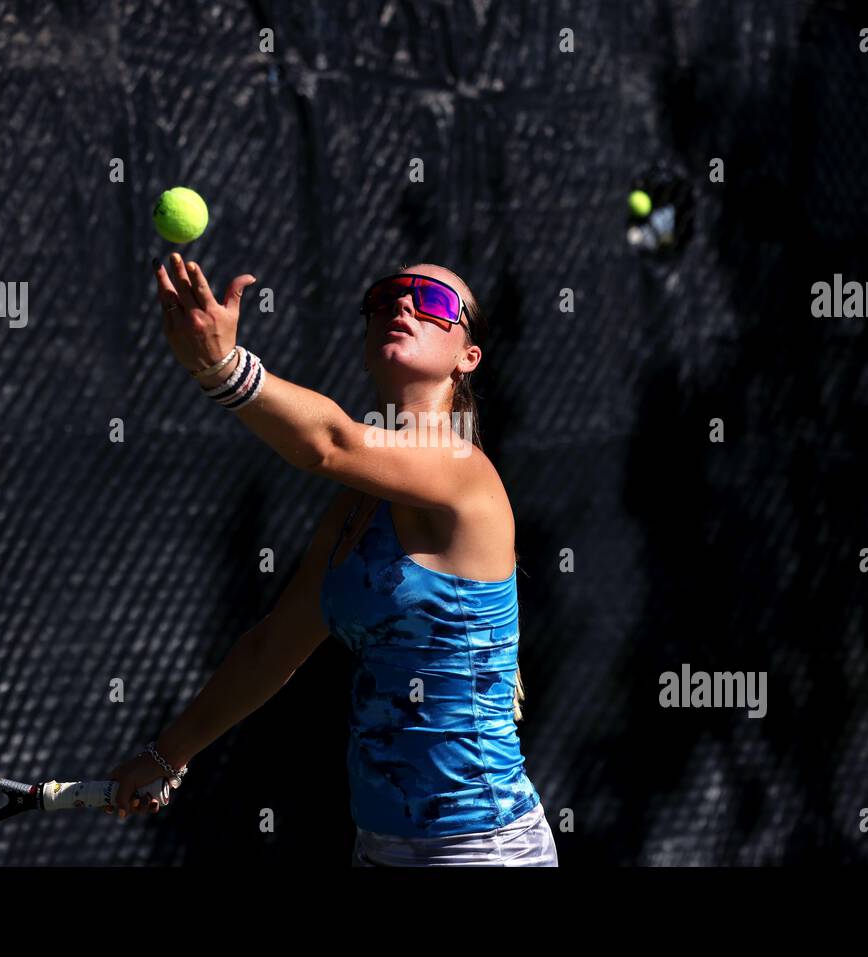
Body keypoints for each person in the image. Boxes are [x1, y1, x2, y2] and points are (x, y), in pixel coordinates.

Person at [108, 253, 558, 866]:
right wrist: (166, 755)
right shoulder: (356, 509)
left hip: (482, 846)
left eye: (433, 302)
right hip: (378, 845)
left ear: (467, 357)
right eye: (388, 297)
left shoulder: (463, 473)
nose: (404, 304)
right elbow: (273, 648)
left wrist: (224, 368)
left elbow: (330, 442)